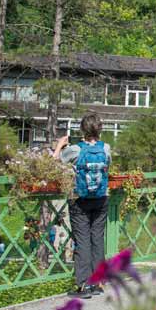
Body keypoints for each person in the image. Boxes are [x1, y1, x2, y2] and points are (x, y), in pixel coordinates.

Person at [53, 113, 111, 299]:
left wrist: (59, 146)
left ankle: (83, 286)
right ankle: (97, 283)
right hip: (101, 198)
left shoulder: (75, 149)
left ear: (82, 130)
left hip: (80, 200)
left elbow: (56, 162)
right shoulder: (106, 148)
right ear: (99, 130)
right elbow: (107, 165)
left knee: (83, 241)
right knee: (97, 239)